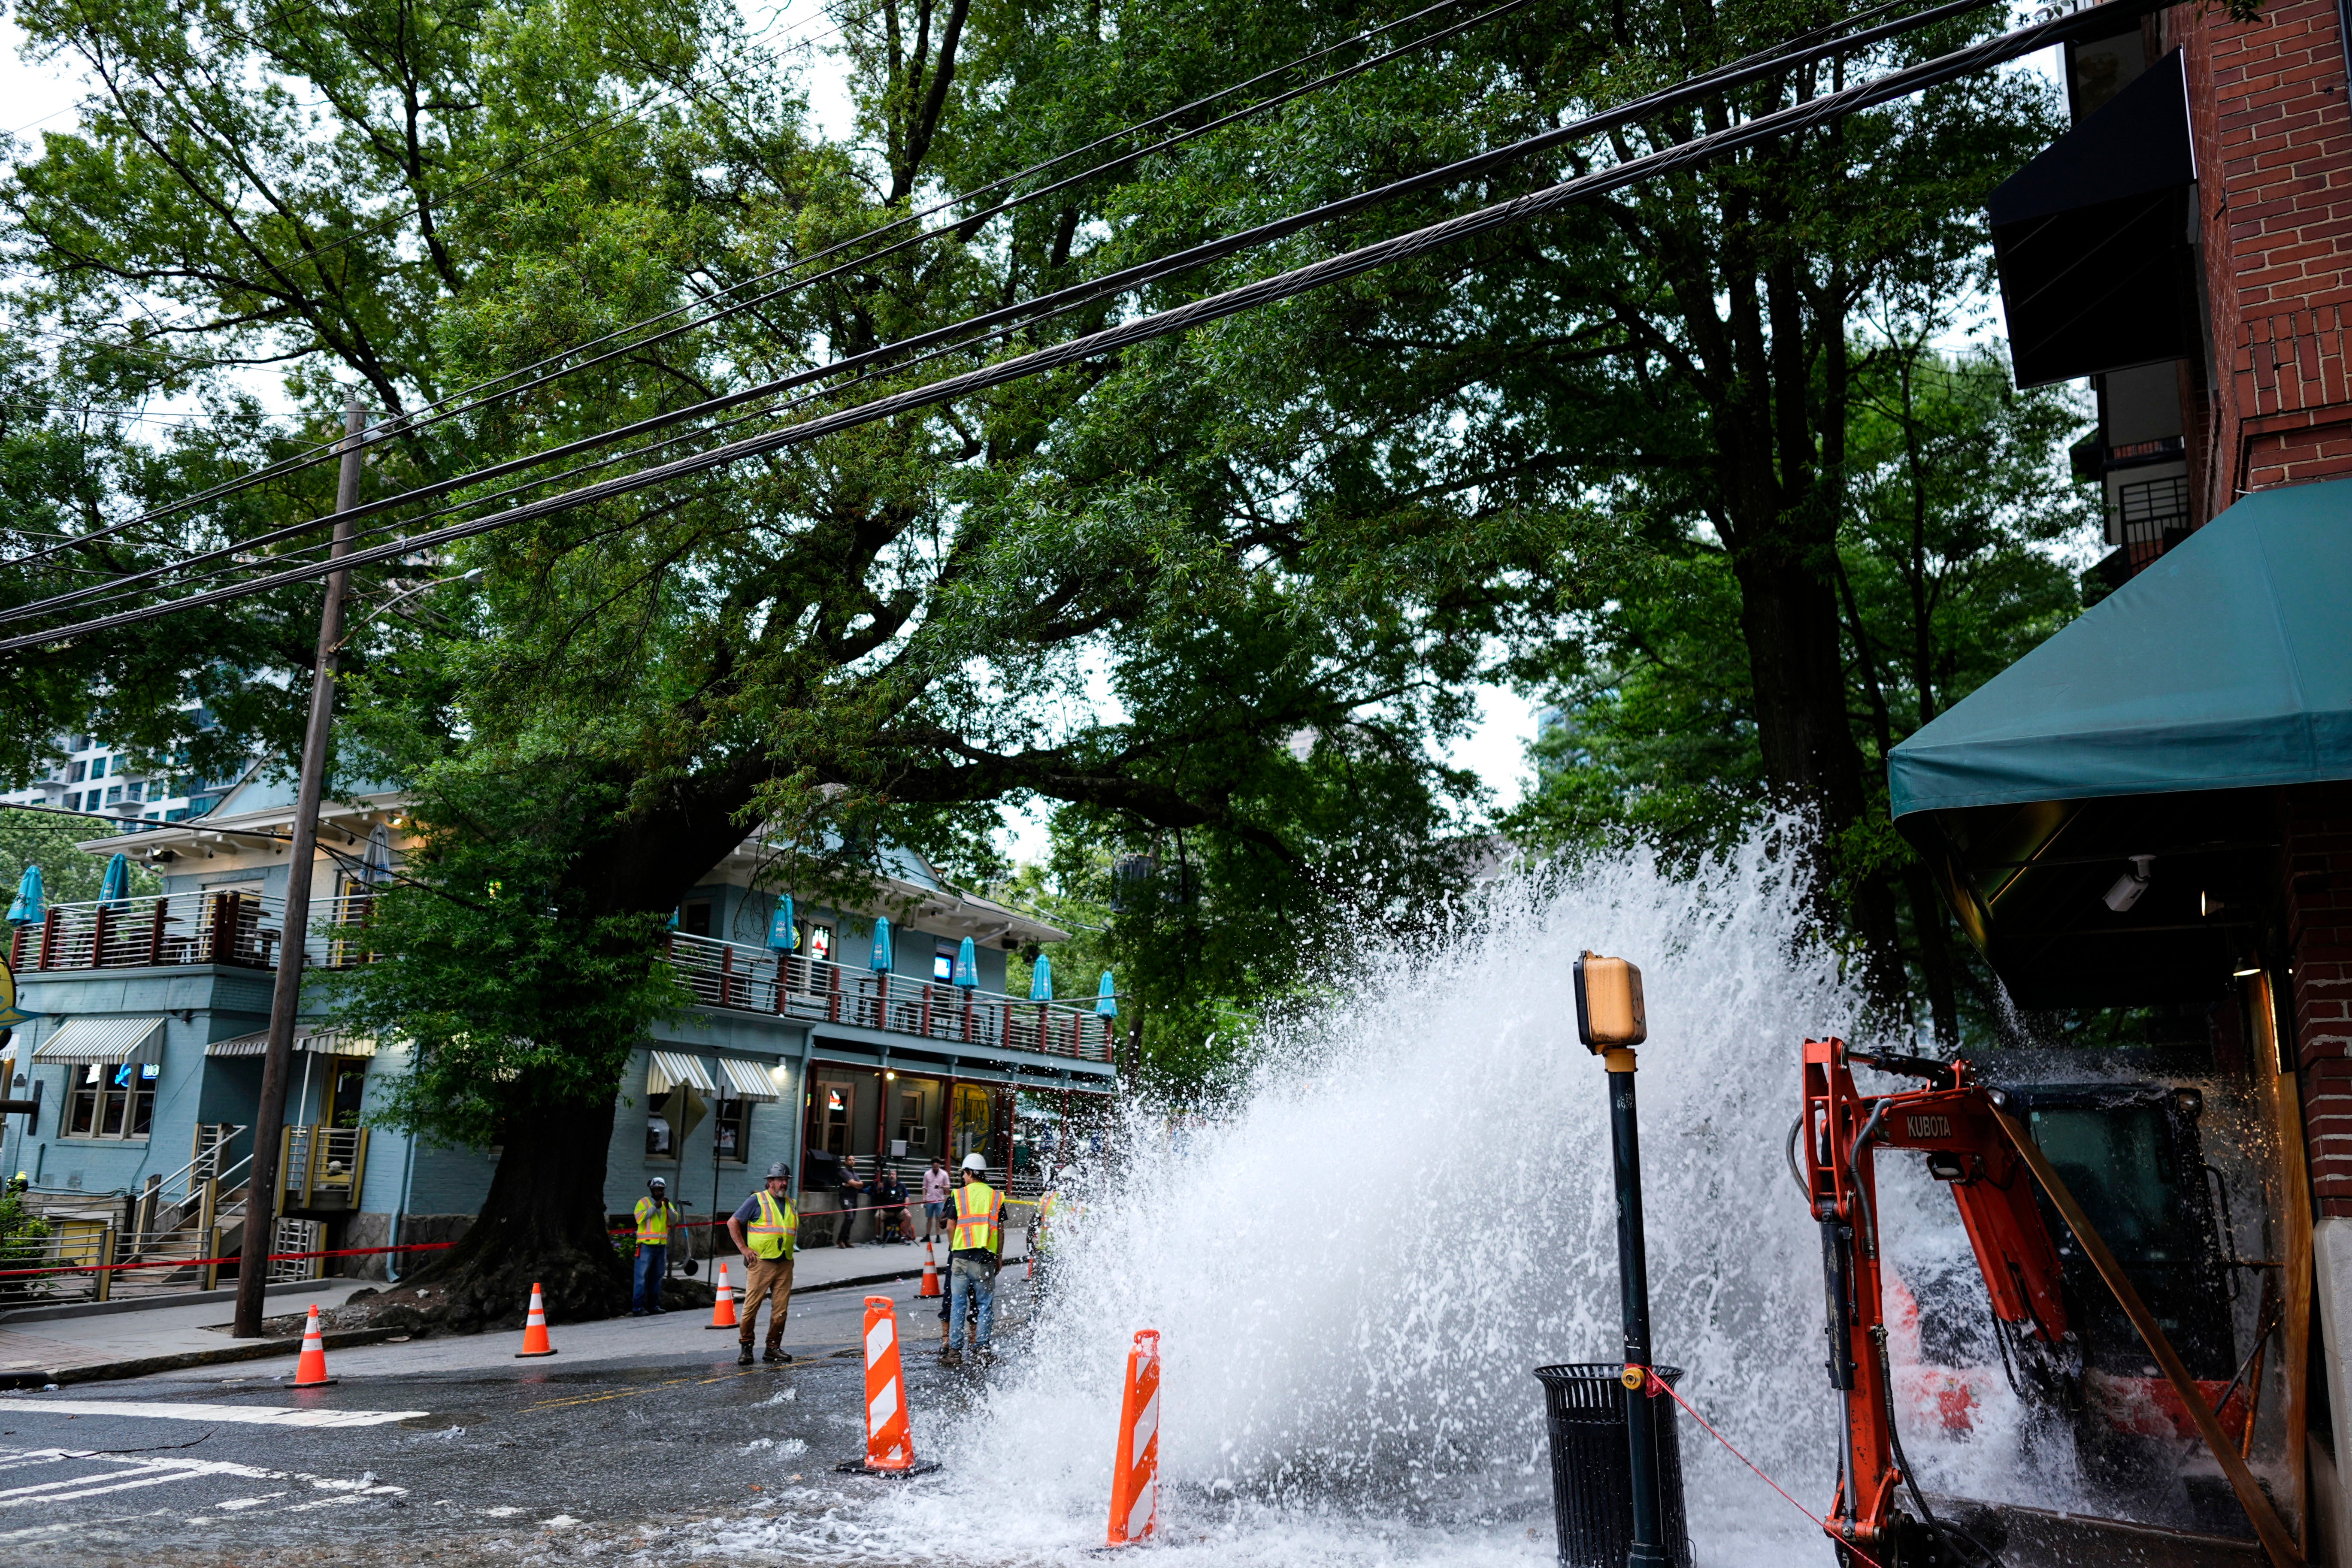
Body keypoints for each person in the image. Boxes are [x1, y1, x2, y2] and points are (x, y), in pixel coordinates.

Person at [726, 1161, 799, 1365]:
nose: (784, 1183)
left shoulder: (791, 1204)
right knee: (751, 1307)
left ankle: (773, 1348)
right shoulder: (757, 1200)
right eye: (780, 1180)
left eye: (786, 1180)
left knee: (781, 1310)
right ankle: (747, 1347)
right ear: (770, 1182)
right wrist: (744, 1249)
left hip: (785, 1262)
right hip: (761, 1263)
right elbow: (732, 1222)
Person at [942, 1151, 1003, 1366]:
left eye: (964, 1174)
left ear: (969, 1173)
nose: (963, 1178)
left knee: (958, 1305)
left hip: (960, 1258)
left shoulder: (958, 1195)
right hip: (985, 1258)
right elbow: (1000, 1230)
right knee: (985, 1306)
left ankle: (955, 1353)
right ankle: (982, 1351)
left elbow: (950, 1226)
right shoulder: (996, 1196)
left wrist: (954, 1246)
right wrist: (999, 1257)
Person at [630, 1177, 679, 1316]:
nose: (660, 1192)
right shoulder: (643, 1202)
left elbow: (675, 1220)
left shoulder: (666, 1205)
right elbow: (640, 1219)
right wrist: (655, 1207)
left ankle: (653, 1306)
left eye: (662, 1189)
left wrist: (668, 1206)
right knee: (641, 1278)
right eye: (657, 1189)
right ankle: (638, 1308)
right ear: (652, 1189)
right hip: (646, 1246)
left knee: (657, 1278)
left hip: (660, 1246)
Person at [835, 1159, 869, 1247]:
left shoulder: (855, 1173)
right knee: (849, 1217)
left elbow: (860, 1185)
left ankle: (846, 1240)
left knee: (852, 1219)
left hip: (854, 1199)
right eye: (850, 1160)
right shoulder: (844, 1172)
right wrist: (855, 1184)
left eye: (853, 1160)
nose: (852, 1161)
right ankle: (840, 1240)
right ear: (846, 1162)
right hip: (846, 1198)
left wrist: (856, 1184)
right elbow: (853, 1183)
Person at [873, 1165, 909, 1243]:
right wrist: (879, 1189)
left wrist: (906, 1207)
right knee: (877, 1216)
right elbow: (878, 1195)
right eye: (890, 1174)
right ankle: (878, 1237)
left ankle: (904, 1238)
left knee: (909, 1216)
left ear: (897, 1176)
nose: (892, 1176)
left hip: (899, 1211)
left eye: (893, 1174)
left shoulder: (902, 1186)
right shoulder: (884, 1185)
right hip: (886, 1211)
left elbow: (907, 1197)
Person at [920, 1156, 950, 1243]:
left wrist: (941, 1187)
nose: (935, 1169)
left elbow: (948, 1186)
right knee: (929, 1218)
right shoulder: (927, 1174)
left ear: (939, 1166)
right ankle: (928, 1235)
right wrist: (924, 1197)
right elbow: (924, 1187)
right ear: (932, 1166)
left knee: (938, 1218)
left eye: (937, 1167)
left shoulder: (944, 1174)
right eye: (934, 1167)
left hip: (940, 1200)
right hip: (930, 1199)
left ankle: (938, 1236)